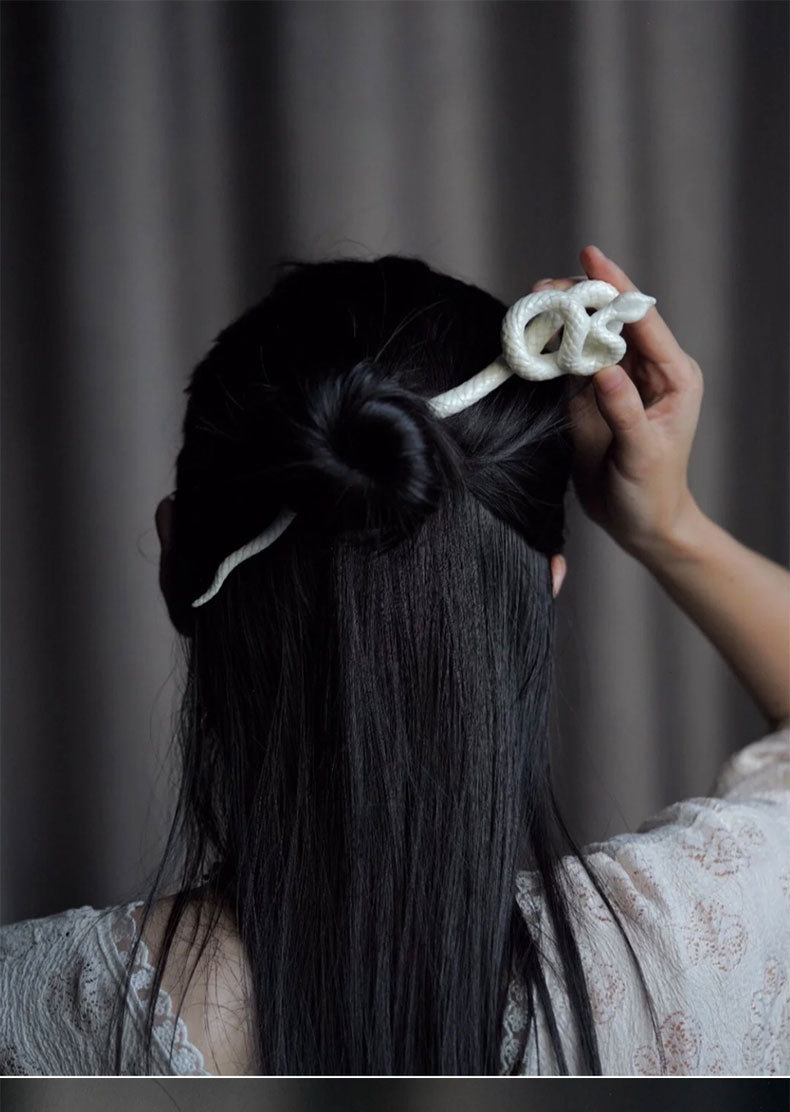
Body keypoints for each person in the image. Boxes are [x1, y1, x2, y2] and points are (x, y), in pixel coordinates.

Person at [0, 246, 787, 1077]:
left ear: (177, 566)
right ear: (545, 592)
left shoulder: (30, 1016)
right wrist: (668, 524)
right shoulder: (694, 951)